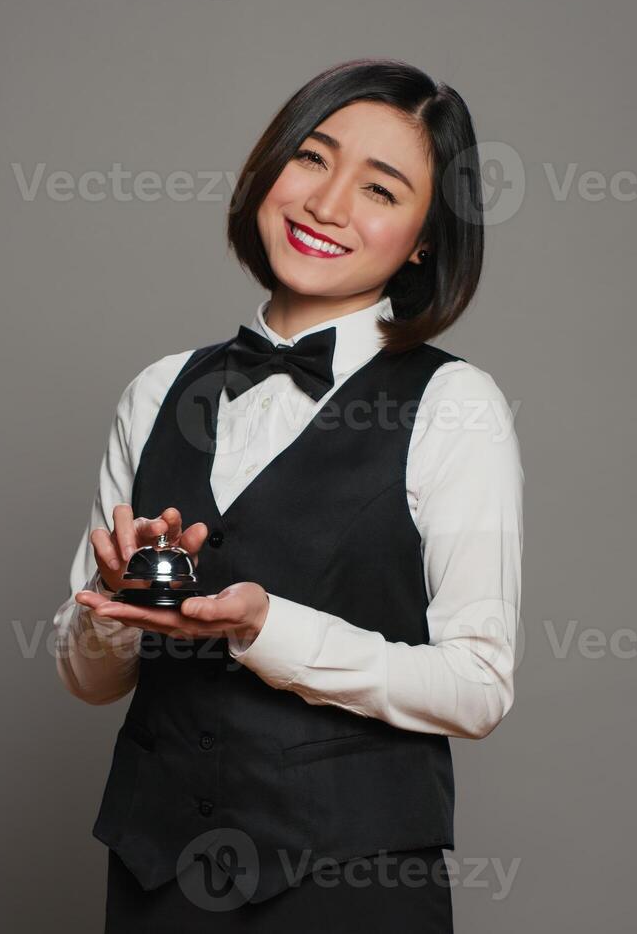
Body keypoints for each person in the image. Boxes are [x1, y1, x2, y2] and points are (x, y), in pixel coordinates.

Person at [54, 58, 523, 932]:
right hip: (157, 881)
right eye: (312, 158)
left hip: (349, 888)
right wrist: (111, 605)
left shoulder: (456, 406)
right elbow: (85, 679)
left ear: (425, 237)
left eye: (380, 188)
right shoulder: (158, 390)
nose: (326, 203)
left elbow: (478, 685)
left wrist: (266, 628)